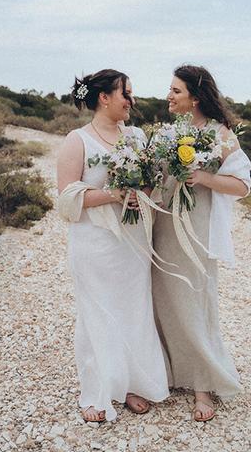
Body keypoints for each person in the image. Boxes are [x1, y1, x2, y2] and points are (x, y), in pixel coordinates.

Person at [57, 69, 169, 422]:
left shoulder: (135, 136)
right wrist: (112, 194)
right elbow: (66, 198)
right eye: (126, 93)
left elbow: (150, 184)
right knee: (97, 314)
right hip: (94, 242)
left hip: (133, 241)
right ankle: (98, 391)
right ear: (104, 97)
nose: (131, 101)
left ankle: (133, 384)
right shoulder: (77, 140)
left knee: (134, 309)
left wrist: (139, 195)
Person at [152, 64, 251, 422]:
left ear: (195, 98)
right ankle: (164, 373)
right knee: (161, 298)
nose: (169, 96)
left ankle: (202, 385)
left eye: (175, 91)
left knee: (196, 298)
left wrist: (205, 177)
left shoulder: (220, 134)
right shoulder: (168, 132)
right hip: (162, 225)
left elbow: (242, 185)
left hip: (195, 228)